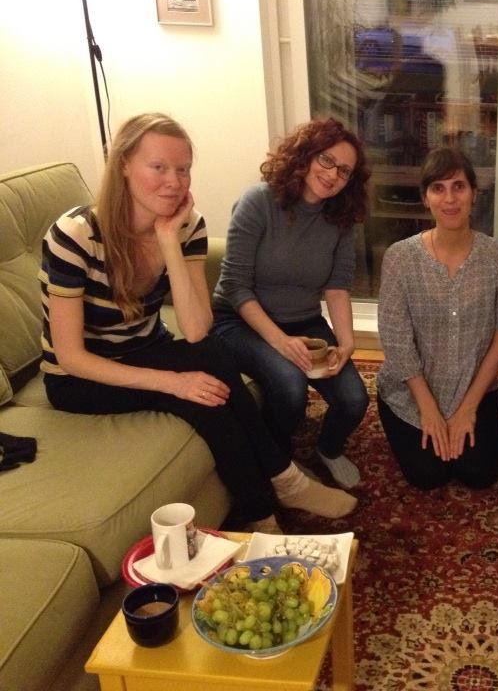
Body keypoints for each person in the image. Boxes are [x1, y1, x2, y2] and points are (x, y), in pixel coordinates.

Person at [40, 113, 357, 531]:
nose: (174, 181)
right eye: (159, 167)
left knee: (213, 357)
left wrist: (168, 239)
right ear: (124, 165)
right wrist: (173, 383)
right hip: (79, 377)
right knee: (206, 403)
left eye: (183, 169)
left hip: (145, 346)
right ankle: (264, 511)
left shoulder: (188, 226)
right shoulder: (74, 235)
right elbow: (71, 357)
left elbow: (194, 331)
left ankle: (283, 480)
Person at [212, 117, 371, 491]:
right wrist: (281, 343)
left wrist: (346, 343)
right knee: (289, 386)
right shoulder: (258, 202)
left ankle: (328, 449)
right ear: (306, 154)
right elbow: (235, 287)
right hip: (239, 320)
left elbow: (336, 286)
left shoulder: (342, 218)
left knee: (354, 399)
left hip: (303, 320)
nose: (333, 175)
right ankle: (278, 462)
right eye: (327, 160)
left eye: (345, 171)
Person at [376, 148, 498, 490]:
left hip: (475, 389)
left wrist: (467, 410)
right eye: (438, 188)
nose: (450, 198)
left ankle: (485, 424)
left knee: (479, 474)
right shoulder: (400, 259)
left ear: (474, 194)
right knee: (428, 475)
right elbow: (397, 340)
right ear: (425, 198)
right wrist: (429, 410)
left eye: (458, 187)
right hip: (410, 393)